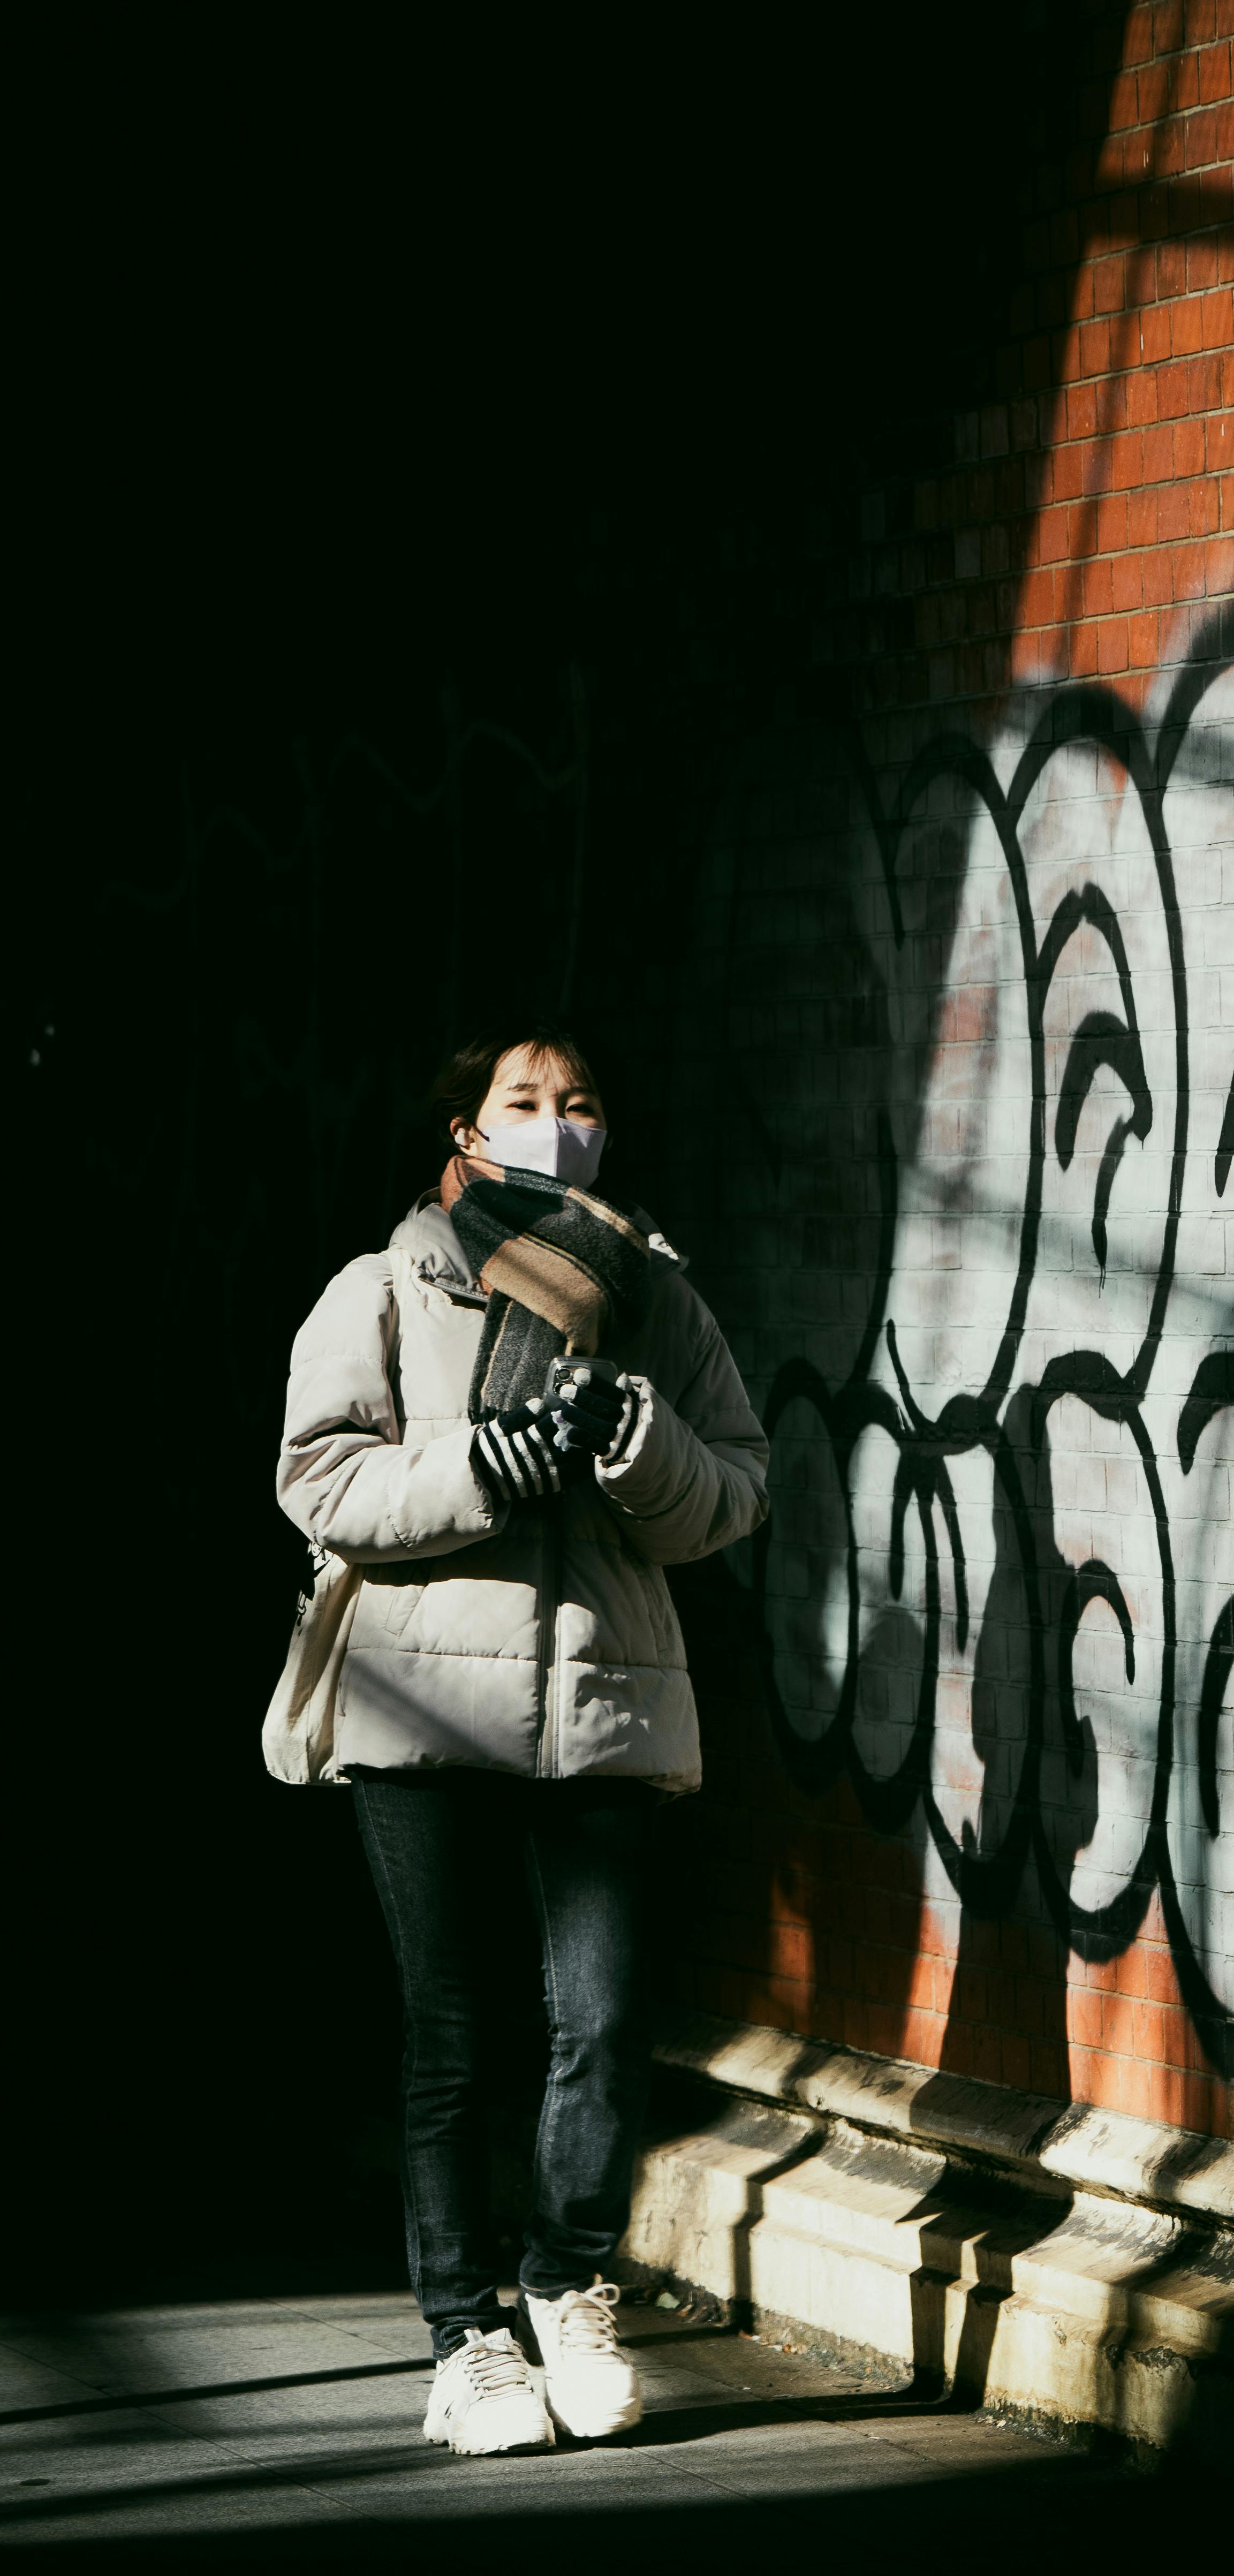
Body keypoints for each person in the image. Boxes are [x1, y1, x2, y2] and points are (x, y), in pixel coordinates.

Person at [270, 1029, 769, 2456]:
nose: (559, 1127)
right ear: (467, 1132)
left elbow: (733, 1493)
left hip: (603, 1705)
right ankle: (463, 2337)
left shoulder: (656, 1297)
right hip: (423, 1713)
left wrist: (633, 1443)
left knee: (601, 2027)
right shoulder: (383, 1288)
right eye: (526, 1104)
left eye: (583, 1105)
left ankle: (568, 2280)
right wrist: (481, 1467)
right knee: (454, 2035)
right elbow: (319, 1476)